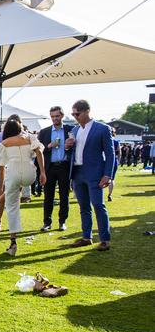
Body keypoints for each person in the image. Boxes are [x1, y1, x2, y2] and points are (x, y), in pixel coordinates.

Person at [65, 100, 114, 251]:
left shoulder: (102, 129)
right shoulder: (75, 129)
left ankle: (105, 239)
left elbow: (110, 154)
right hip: (78, 172)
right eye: (73, 114)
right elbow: (71, 153)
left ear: (87, 111)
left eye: (77, 114)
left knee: (98, 205)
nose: (75, 117)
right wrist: (68, 146)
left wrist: (108, 174)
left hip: (94, 173)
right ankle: (87, 237)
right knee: (83, 206)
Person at [0, 119, 46, 256]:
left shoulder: (3, 144)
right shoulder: (30, 137)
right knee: (18, 191)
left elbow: (1, 169)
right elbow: (40, 152)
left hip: (13, 172)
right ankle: (24, 193)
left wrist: (0, 189)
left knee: (12, 207)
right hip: (30, 173)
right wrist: (42, 172)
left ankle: (13, 242)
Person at [38, 106, 73, 231]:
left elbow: (75, 147)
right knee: (48, 196)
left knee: (64, 195)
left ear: (62, 116)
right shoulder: (44, 132)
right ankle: (47, 222)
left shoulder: (70, 129)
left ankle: (62, 222)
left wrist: (69, 146)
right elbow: (38, 151)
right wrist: (49, 146)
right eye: (52, 116)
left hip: (64, 166)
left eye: (57, 116)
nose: (55, 118)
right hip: (50, 167)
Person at [107, 128, 121, 202]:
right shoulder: (116, 141)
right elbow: (119, 153)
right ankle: (110, 194)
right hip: (113, 161)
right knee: (112, 179)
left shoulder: (105, 140)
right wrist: (118, 161)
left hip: (105, 160)